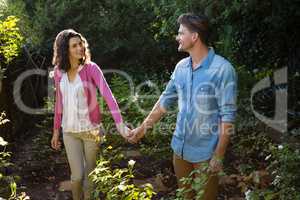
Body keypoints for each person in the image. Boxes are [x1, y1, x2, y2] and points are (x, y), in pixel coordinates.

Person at [128, 13, 237, 199]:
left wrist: (218, 155)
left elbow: (227, 116)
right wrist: (142, 129)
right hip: (180, 150)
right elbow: (164, 101)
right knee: (184, 196)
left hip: (206, 154)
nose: (177, 37)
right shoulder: (181, 67)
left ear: (194, 37)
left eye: (181, 33)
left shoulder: (223, 70)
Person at [50, 29, 131, 200]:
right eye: (74, 45)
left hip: (91, 130)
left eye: (81, 44)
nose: (80, 48)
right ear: (65, 50)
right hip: (69, 132)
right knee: (77, 176)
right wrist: (56, 131)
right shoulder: (58, 72)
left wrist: (120, 124)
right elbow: (59, 103)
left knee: (89, 177)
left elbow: (108, 96)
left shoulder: (91, 69)